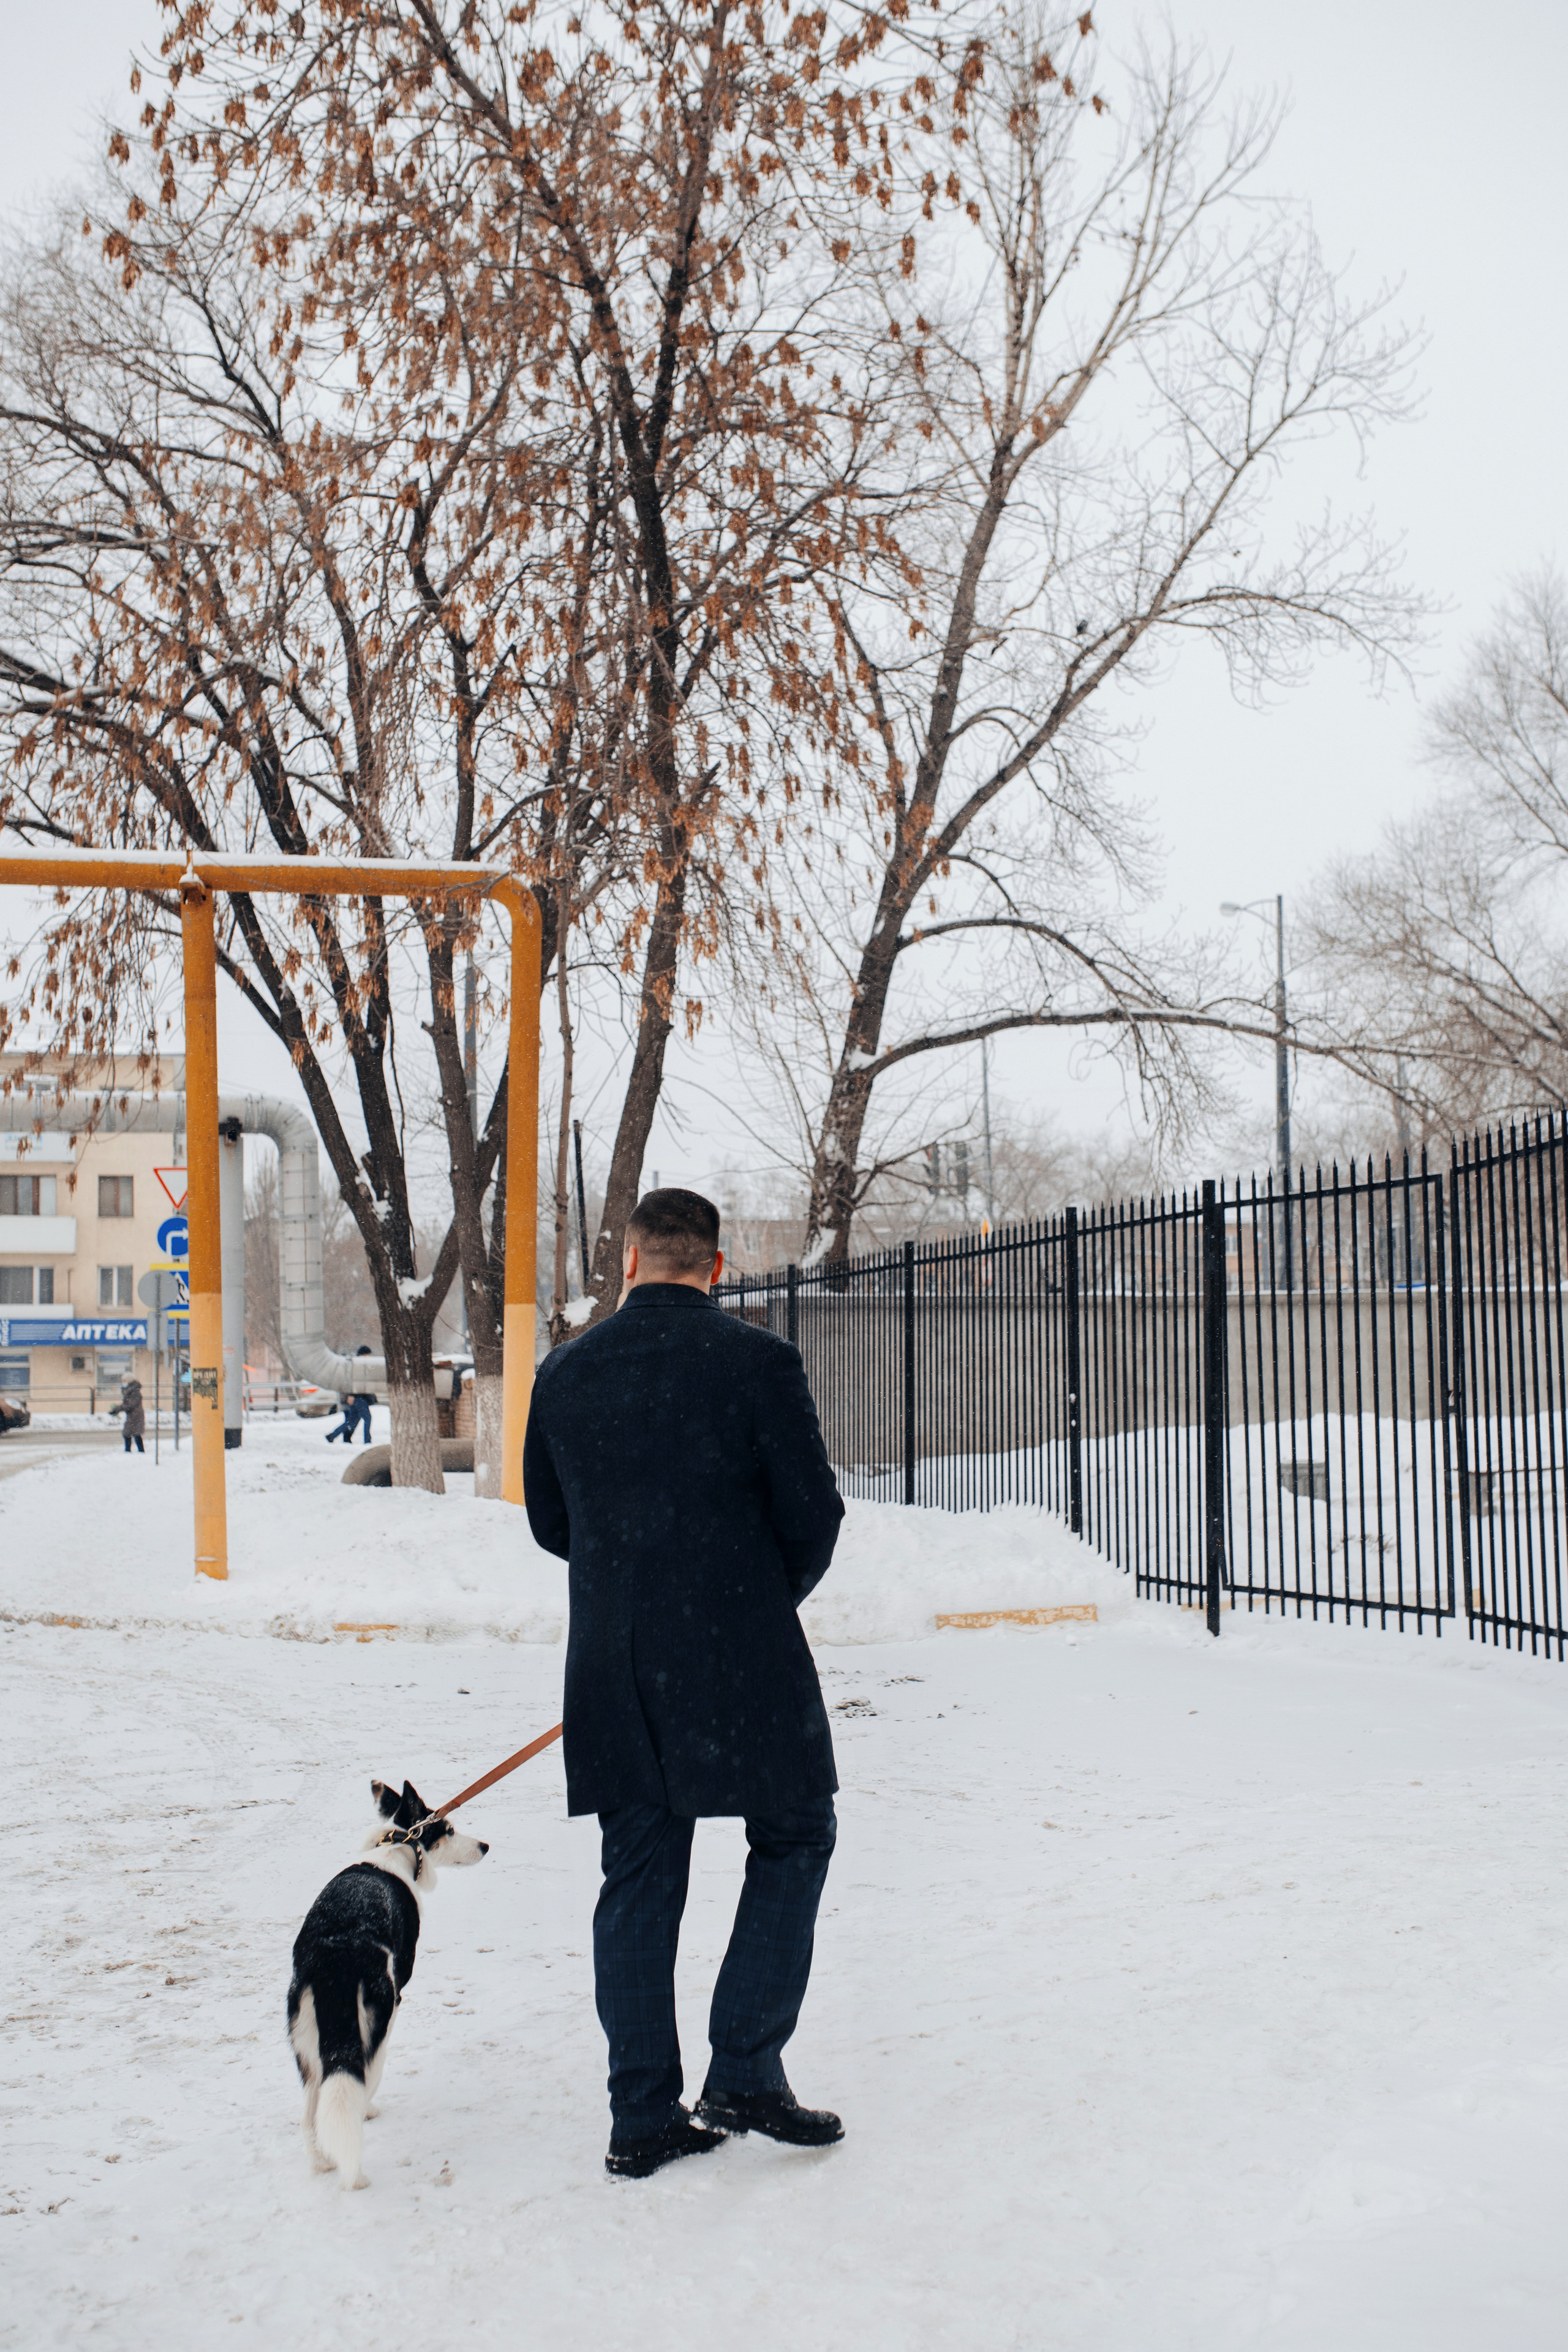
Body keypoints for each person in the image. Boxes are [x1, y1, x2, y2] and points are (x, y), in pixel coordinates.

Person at [524, 1187, 846, 2181]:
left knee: (640, 1876)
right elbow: (815, 1516)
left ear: (629, 1263)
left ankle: (642, 2115)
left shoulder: (565, 1374)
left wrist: (634, 1588)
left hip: (619, 1665)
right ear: (716, 1264)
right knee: (794, 1834)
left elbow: (550, 1523)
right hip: (745, 1652)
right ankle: (744, 2069)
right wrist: (748, 1597)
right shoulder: (760, 1363)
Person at [325, 1346, 376, 1444]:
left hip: (356, 1397)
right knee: (367, 1418)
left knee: (352, 1421)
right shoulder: (358, 1366)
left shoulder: (359, 1365)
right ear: (363, 1355)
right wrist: (352, 1395)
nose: (369, 1357)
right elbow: (354, 1382)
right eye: (367, 1355)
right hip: (358, 1397)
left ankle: (332, 1436)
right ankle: (367, 1440)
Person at [118, 1376, 146, 1455]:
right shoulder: (130, 1391)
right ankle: (137, 1451)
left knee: (130, 1433)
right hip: (133, 1415)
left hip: (136, 1415)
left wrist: (118, 1409)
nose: (123, 1382)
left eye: (125, 1381)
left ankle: (132, 1452)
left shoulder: (134, 1392)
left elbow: (130, 1405)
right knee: (133, 1434)